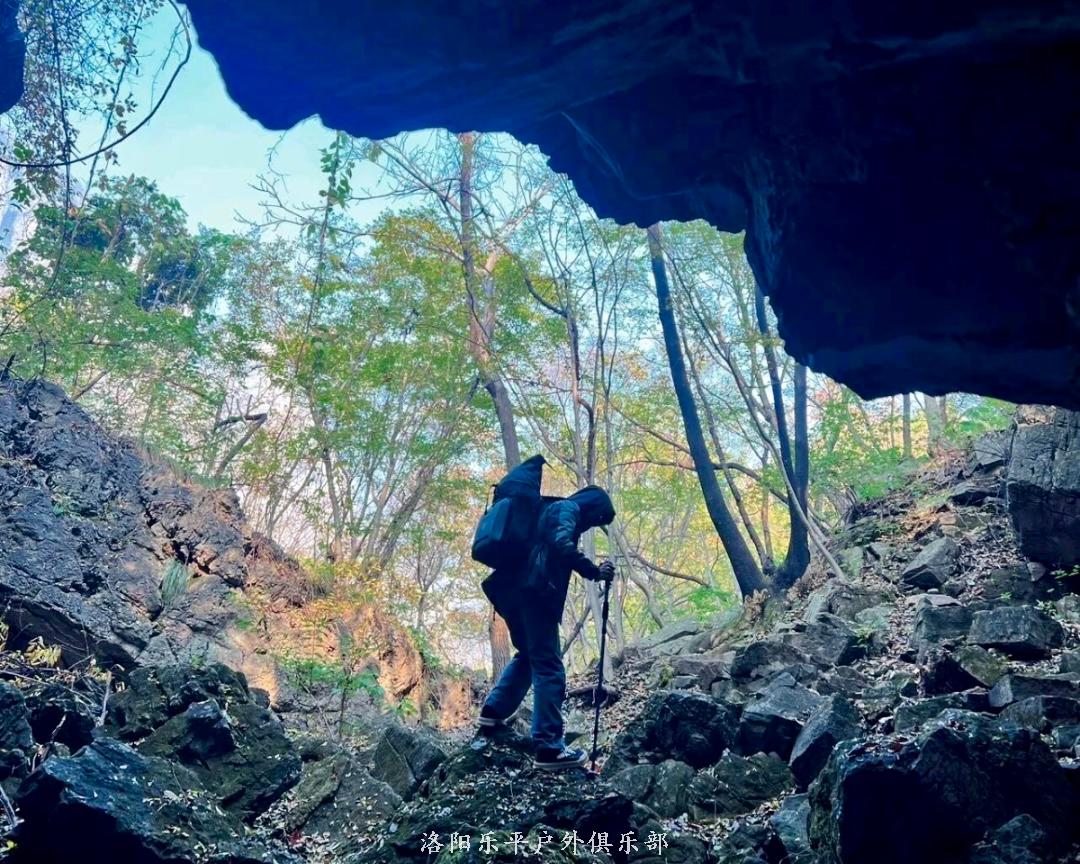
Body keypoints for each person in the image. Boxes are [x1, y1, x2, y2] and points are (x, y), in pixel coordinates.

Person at [479, 484, 616, 770]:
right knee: (549, 666)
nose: (592, 524)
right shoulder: (567, 508)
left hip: (512, 592)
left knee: (529, 655)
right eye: (597, 518)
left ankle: (493, 711)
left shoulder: (549, 510)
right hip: (536, 592)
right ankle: (549, 747)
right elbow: (561, 543)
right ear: (593, 506)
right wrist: (594, 571)